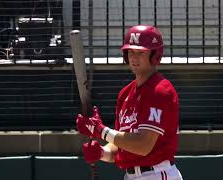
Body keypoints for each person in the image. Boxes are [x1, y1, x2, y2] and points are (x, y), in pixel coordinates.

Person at [76, 25, 183, 180]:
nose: (134, 57)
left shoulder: (160, 90)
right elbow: (119, 146)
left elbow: (143, 145)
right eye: (131, 52)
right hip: (130, 175)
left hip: (157, 174)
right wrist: (102, 153)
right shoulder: (125, 94)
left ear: (154, 55)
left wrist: (101, 131)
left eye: (140, 52)